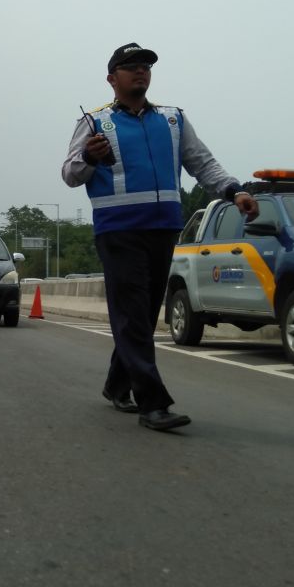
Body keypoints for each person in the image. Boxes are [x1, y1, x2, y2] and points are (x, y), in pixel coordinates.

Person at [62, 43, 258, 431]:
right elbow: (70, 173)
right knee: (133, 313)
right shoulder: (95, 123)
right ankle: (152, 402)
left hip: (163, 227)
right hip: (119, 231)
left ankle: (117, 385)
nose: (141, 72)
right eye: (131, 67)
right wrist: (90, 157)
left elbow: (202, 163)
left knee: (145, 313)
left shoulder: (172, 120)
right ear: (111, 78)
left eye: (146, 67)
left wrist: (233, 191)